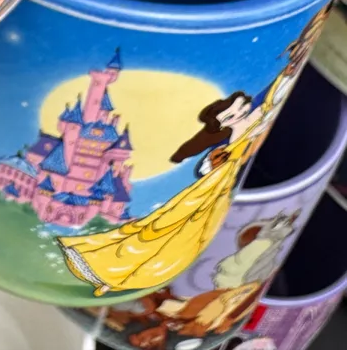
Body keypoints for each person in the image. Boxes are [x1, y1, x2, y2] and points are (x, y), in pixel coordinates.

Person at [58, 90, 271, 296]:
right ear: (222, 124)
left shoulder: (253, 119)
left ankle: (120, 276)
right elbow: (217, 158)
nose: (239, 114)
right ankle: (111, 269)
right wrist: (215, 161)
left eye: (240, 108)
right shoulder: (241, 130)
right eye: (230, 115)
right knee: (170, 224)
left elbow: (269, 103)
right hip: (212, 184)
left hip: (220, 185)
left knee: (186, 230)